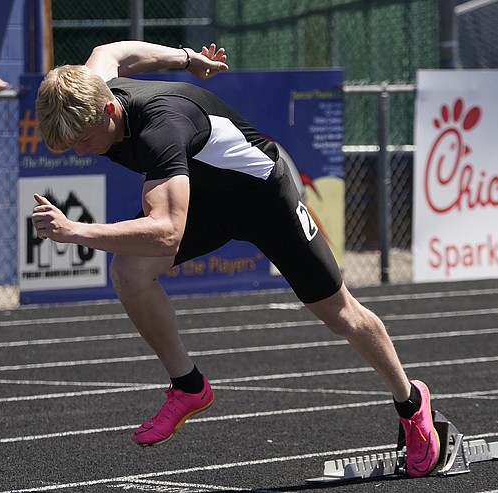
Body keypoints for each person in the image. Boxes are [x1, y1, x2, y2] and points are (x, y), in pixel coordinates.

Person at [31, 41, 440, 477]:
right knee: (130, 270)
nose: (81, 151)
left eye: (84, 141)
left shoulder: (160, 128)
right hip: (207, 200)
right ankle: (188, 385)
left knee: (341, 315)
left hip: (265, 200)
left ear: (109, 111)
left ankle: (411, 402)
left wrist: (74, 231)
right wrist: (188, 59)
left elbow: (167, 232)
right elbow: (112, 51)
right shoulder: (94, 84)